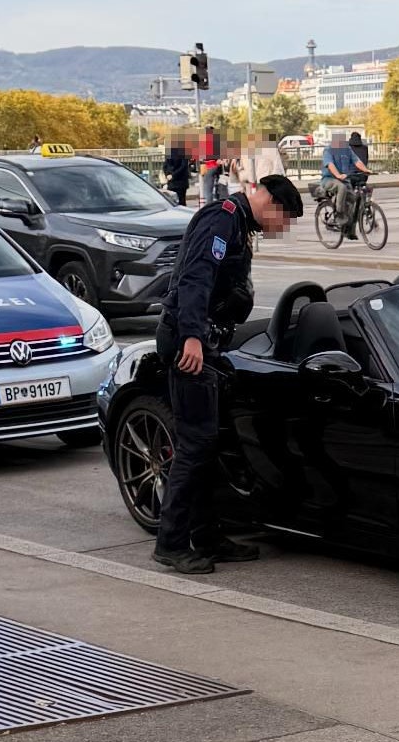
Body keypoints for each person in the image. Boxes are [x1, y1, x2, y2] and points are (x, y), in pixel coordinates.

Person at [154, 174, 304, 574]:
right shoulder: (221, 218)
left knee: (211, 443)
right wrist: (191, 337)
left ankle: (207, 537)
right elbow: (196, 277)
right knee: (195, 444)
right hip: (190, 343)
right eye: (284, 220)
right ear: (269, 202)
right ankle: (171, 543)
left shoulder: (238, 222)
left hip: (207, 342)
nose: (282, 229)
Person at [318, 131, 373, 239]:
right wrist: (338, 175)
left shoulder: (347, 149)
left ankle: (349, 230)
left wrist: (366, 170)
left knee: (353, 198)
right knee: (341, 187)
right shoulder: (328, 150)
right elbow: (330, 164)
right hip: (329, 179)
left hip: (344, 178)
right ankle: (339, 214)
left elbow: (357, 161)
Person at [162, 135, 192, 206]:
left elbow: (165, 166)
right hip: (179, 180)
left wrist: (168, 175)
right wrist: (171, 175)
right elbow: (183, 166)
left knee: (173, 202)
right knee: (181, 201)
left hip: (174, 181)